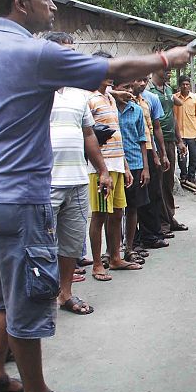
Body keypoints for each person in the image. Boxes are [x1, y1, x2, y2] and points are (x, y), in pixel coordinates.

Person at [0, 0, 190, 392]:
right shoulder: (34, 53)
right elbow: (114, 68)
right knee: (31, 294)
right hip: (18, 197)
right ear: (21, 3)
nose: (53, 6)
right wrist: (163, 61)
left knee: (3, 293)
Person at [45, 32, 112, 314]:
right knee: (40, 244)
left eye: (72, 52)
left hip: (76, 179)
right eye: (63, 52)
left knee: (71, 243)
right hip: (44, 182)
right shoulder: (36, 90)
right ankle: (40, 299)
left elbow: (88, 135)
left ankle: (65, 294)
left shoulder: (78, 95)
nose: (69, 57)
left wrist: (103, 170)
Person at [87, 52, 140, 282]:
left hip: (118, 163)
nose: (110, 75)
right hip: (101, 168)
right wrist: (102, 171)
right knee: (99, 215)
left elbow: (117, 134)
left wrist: (126, 166)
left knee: (117, 212)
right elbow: (88, 137)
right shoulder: (89, 99)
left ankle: (115, 257)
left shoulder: (109, 97)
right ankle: (98, 263)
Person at [113, 79, 153, 262]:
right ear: (115, 89)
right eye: (125, 87)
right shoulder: (109, 108)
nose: (129, 91)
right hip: (114, 165)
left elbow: (142, 140)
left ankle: (129, 248)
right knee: (113, 211)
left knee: (133, 208)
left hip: (135, 163)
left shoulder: (136, 110)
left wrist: (146, 168)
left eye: (131, 87)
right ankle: (111, 251)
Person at [147, 69, 188, 234]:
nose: (169, 73)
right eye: (166, 70)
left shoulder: (168, 89)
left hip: (170, 139)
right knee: (157, 184)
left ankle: (170, 218)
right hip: (156, 141)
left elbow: (172, 115)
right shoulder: (148, 90)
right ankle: (161, 223)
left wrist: (179, 140)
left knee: (168, 182)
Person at [134, 76, 173, 246]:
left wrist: (160, 154)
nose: (142, 83)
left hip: (150, 150)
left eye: (144, 79)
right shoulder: (121, 100)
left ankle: (153, 233)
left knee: (154, 193)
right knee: (137, 200)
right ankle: (136, 240)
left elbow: (153, 128)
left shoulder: (149, 99)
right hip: (132, 152)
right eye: (138, 80)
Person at [174, 76, 196, 183]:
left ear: (189, 85)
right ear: (179, 86)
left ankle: (191, 176)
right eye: (183, 84)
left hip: (193, 132)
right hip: (180, 134)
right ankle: (183, 176)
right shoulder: (175, 98)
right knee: (182, 157)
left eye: (187, 84)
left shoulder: (195, 98)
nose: (185, 86)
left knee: (194, 157)